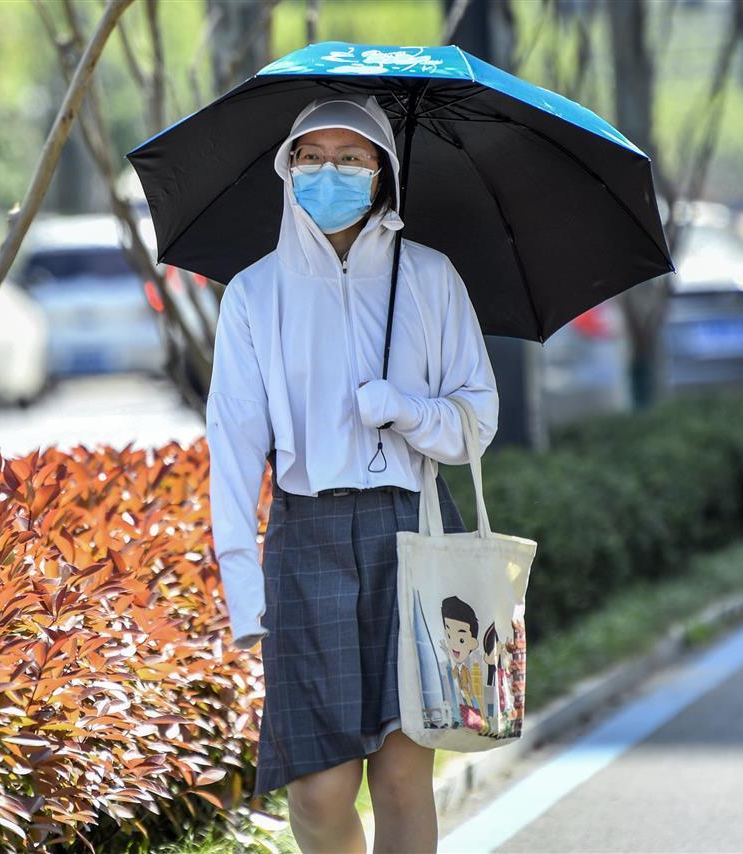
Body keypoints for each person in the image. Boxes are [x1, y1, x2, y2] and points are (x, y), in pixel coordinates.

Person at [205, 94, 499, 853]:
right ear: (287, 167)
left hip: (414, 531)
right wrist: (242, 591)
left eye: (350, 158)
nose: (327, 172)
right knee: (318, 789)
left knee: (404, 778)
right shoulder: (254, 294)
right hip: (307, 542)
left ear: (382, 173)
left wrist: (405, 408)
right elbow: (233, 447)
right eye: (310, 157)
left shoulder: (430, 279)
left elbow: (478, 420)